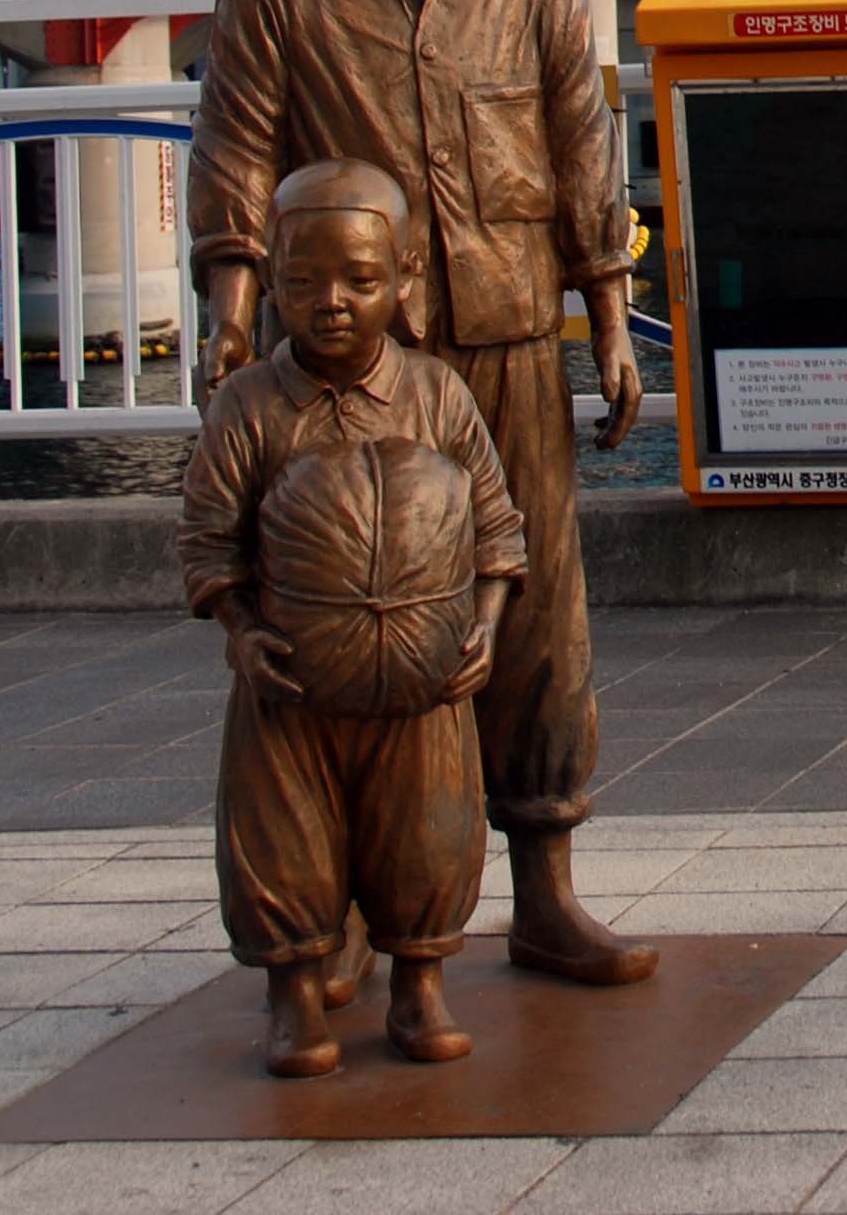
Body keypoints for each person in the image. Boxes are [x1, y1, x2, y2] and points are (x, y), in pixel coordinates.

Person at [188, 0, 652, 985]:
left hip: (507, 332)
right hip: (349, 361)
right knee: (342, 609)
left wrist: (607, 312)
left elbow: (579, 143)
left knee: (535, 616)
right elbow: (235, 150)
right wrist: (230, 313)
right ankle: (337, 915)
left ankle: (546, 886)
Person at [180, 160, 522, 1078]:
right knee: (281, 837)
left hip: (422, 675)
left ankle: (421, 986)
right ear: (271, 283)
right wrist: (241, 629)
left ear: (404, 278)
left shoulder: (436, 394)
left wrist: (485, 624)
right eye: (302, 283)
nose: (330, 303)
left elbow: (497, 529)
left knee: (428, 829)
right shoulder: (249, 405)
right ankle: (293, 996)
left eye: (360, 280)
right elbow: (209, 540)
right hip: (294, 678)